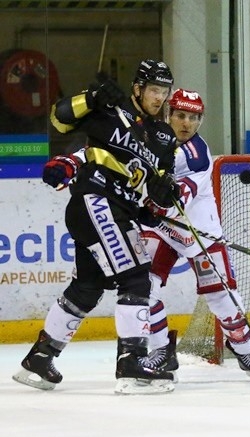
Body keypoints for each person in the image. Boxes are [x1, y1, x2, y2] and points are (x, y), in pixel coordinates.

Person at [14, 59, 180, 395]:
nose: (158, 97)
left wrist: (160, 198)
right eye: (152, 90)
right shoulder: (109, 109)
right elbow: (59, 119)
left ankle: (40, 358)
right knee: (135, 277)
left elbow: (159, 186)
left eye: (163, 91)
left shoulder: (164, 136)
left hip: (117, 209)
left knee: (87, 286)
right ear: (137, 88)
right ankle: (132, 362)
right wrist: (91, 98)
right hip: (96, 201)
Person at [139, 88, 250, 379]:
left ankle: (246, 352)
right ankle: (161, 351)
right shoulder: (150, 137)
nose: (186, 123)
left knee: (222, 296)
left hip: (198, 233)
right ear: (169, 114)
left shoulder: (197, 154)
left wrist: (159, 200)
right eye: (180, 115)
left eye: (193, 117)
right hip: (163, 230)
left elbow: (179, 197)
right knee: (141, 287)